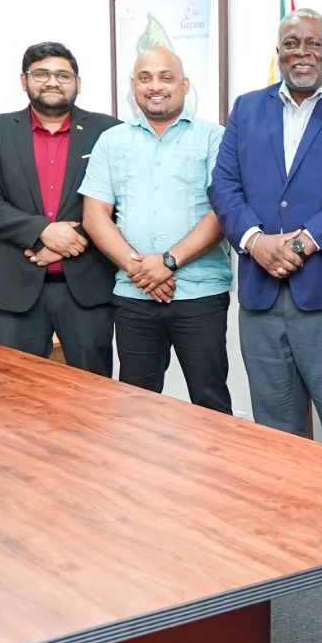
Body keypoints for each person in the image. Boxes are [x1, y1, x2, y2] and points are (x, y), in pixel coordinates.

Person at [208, 9, 322, 453]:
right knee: (275, 436)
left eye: (313, 43)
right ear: (278, 54)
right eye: (291, 43)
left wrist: (301, 241)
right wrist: (255, 242)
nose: (302, 52)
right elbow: (224, 184)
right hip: (261, 296)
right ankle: (286, 523)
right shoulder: (248, 108)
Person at [80, 48, 233, 413]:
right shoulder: (112, 141)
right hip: (133, 295)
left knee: (210, 402)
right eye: (145, 78)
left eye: (166, 77)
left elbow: (223, 211)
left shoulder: (216, 138)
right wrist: (139, 269)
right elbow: (95, 215)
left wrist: (168, 261)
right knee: (135, 407)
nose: (155, 86)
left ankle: (217, 472)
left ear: (184, 85)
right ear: (133, 86)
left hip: (199, 294)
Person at [0, 42, 120, 374]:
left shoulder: (108, 131)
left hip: (87, 288)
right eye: (42, 74)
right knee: (13, 394)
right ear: (24, 80)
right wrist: (43, 233)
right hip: (14, 289)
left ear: (78, 82)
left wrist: (68, 245)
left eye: (63, 74)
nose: (53, 82)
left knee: (92, 395)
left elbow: (120, 204)